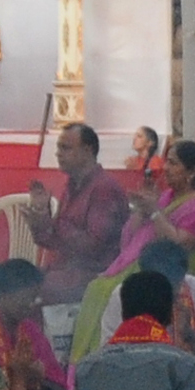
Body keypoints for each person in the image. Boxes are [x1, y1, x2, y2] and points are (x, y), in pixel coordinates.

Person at [27, 122, 138, 308]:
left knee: (19, 294)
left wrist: (54, 225)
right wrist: (40, 217)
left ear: (88, 150)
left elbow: (92, 247)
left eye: (66, 148)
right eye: (58, 148)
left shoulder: (103, 188)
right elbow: (50, 241)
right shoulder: (73, 185)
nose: (58, 154)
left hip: (94, 276)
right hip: (66, 272)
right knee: (9, 280)